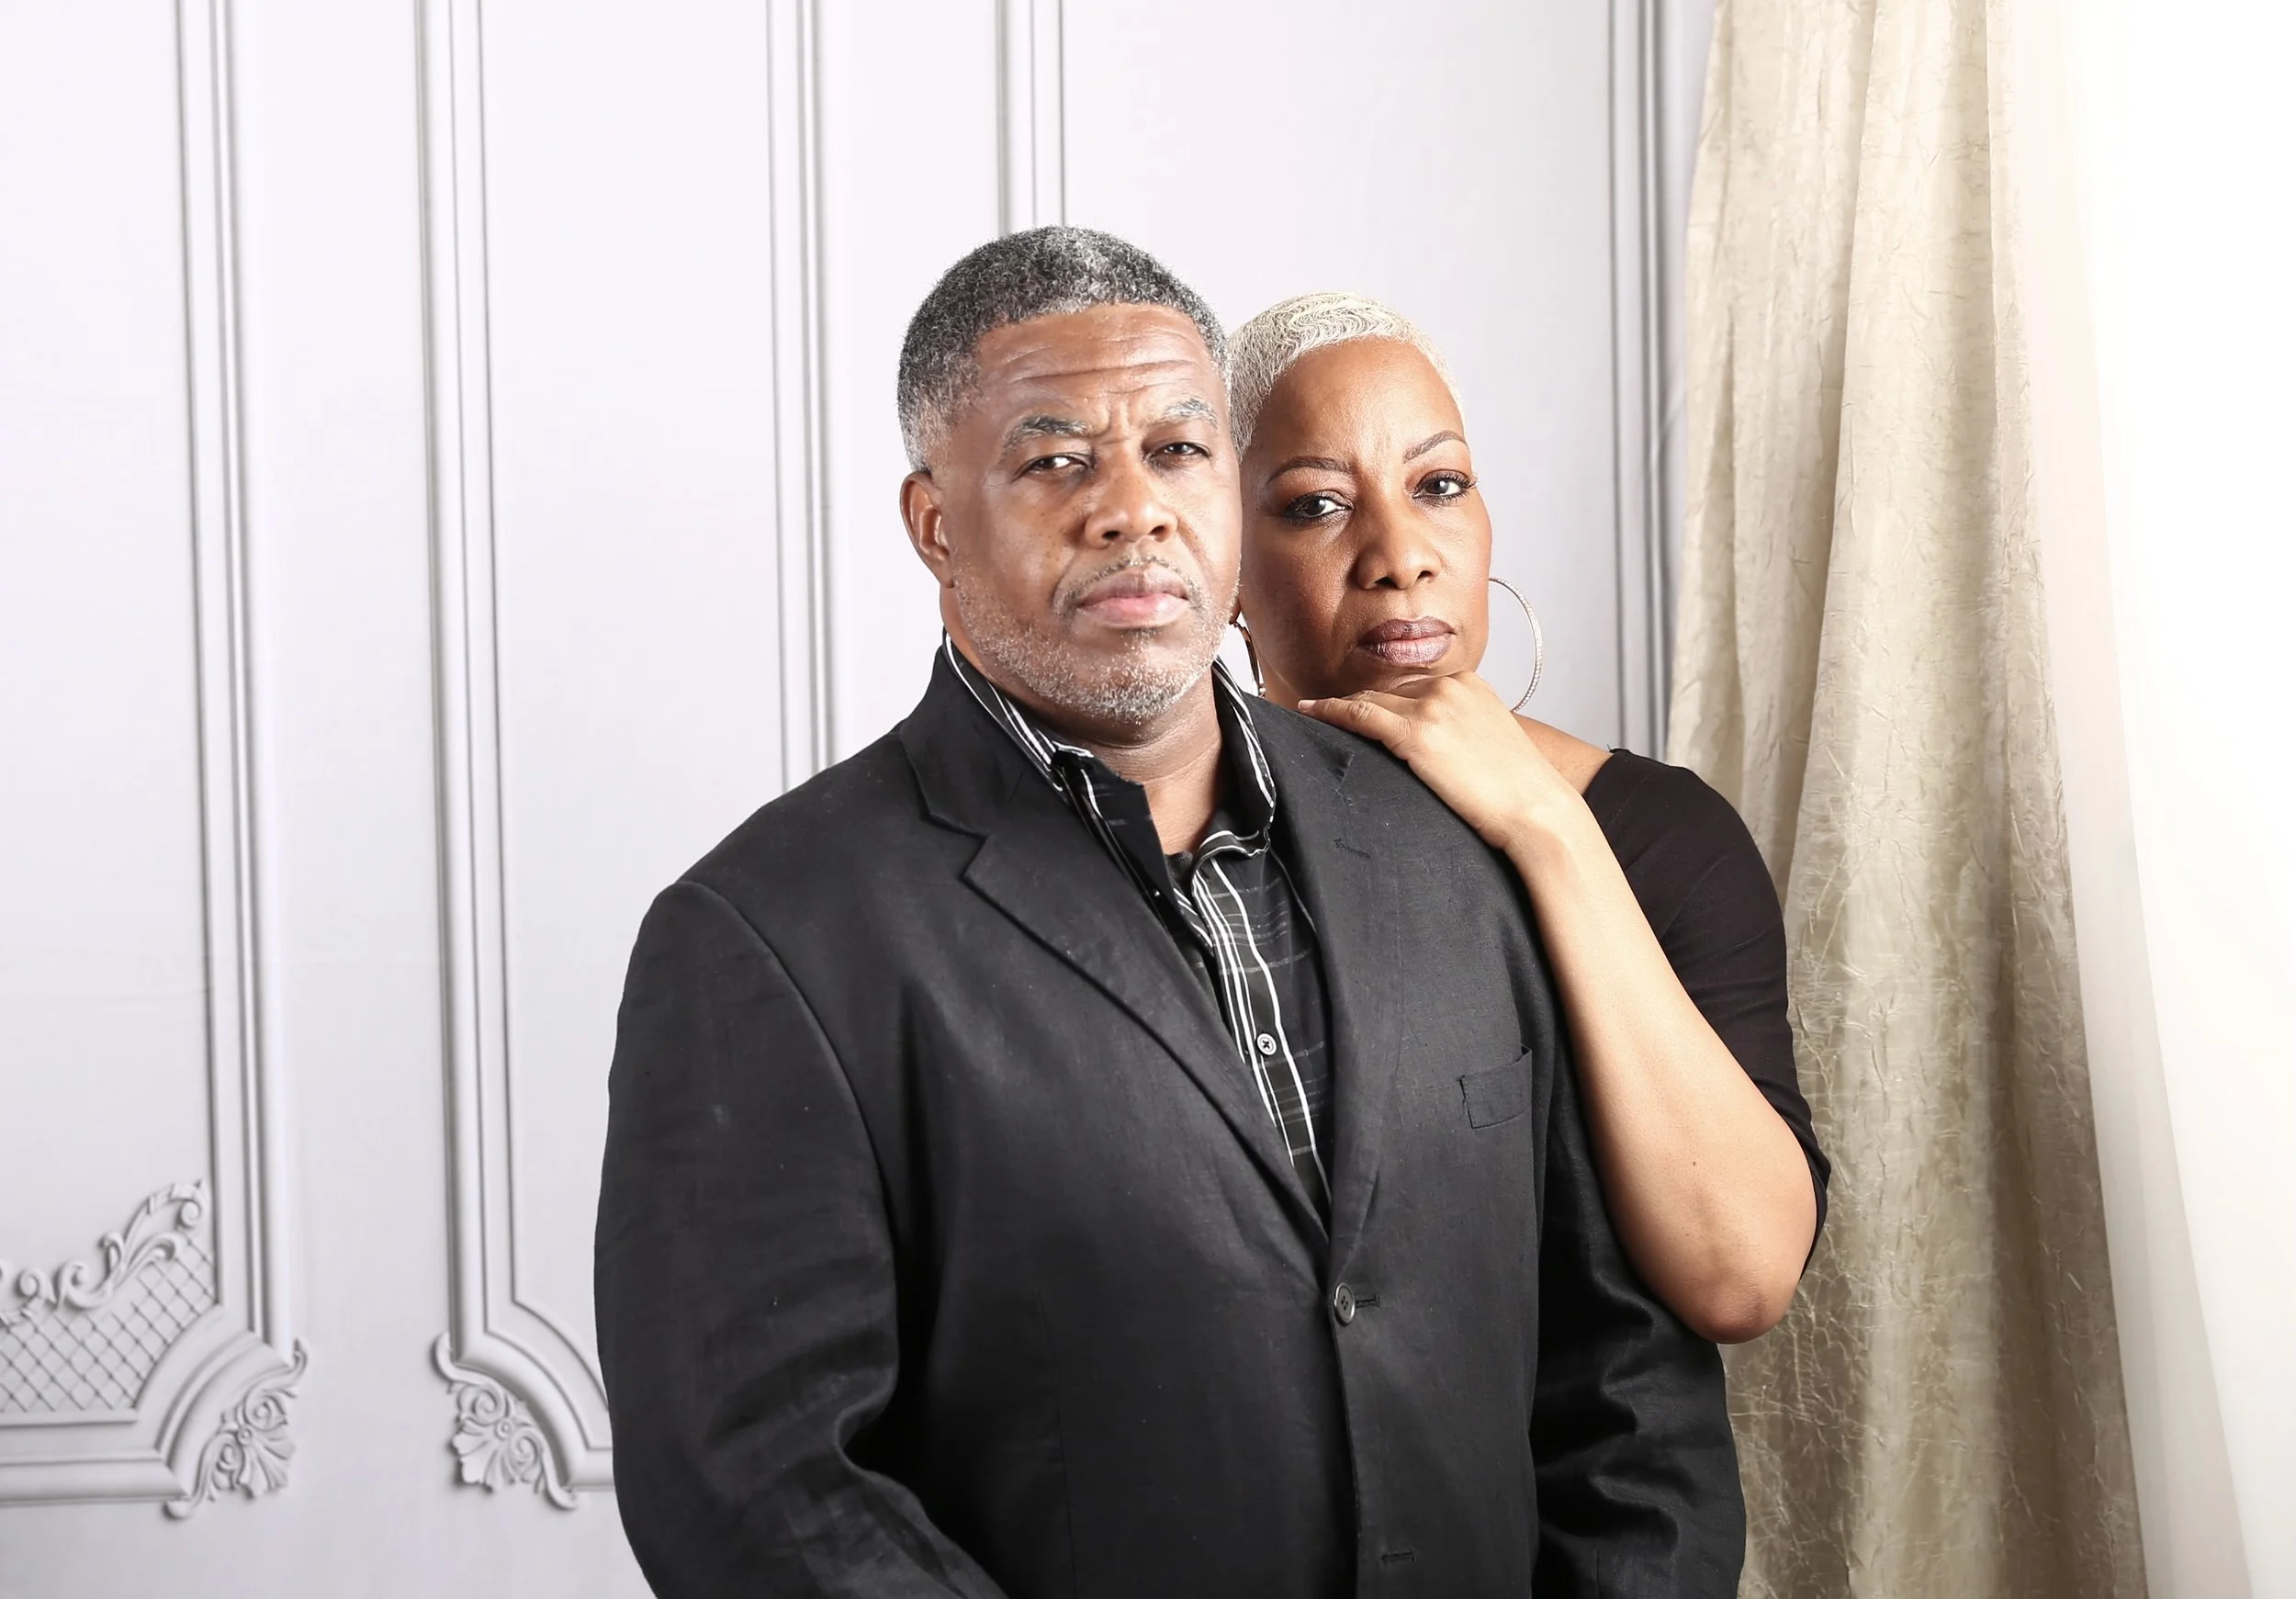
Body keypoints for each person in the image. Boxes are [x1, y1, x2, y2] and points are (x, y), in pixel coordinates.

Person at [595, 228, 1742, 1599]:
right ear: (936, 525)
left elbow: (1627, 1381)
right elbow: (761, 1488)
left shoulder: (1454, 833)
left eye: (1179, 450)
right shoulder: (765, 936)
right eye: (1055, 461)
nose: (1130, 509)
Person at [1227, 292, 1827, 1343]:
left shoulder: (1662, 837)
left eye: (1438, 486)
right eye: (1317, 504)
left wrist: (1547, 827)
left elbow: (1742, 1277)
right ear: (1223, 566)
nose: (1399, 554)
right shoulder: (1190, 855)